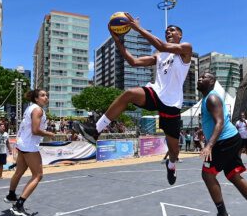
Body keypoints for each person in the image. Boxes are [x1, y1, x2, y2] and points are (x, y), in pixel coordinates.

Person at [75, 14, 192, 186]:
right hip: (155, 93)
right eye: (166, 30)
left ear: (180, 35)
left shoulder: (185, 49)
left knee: (174, 150)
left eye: (172, 30)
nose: (168, 32)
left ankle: (171, 164)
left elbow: (162, 45)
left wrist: (138, 29)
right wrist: (118, 41)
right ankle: (95, 130)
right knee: (129, 93)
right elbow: (134, 61)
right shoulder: (160, 56)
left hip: (172, 104)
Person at [196, 72, 247, 216]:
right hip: (229, 139)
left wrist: (209, 145)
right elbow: (215, 121)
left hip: (225, 141)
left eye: (204, 77)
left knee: (207, 174)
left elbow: (220, 122)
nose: (199, 78)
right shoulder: (206, 98)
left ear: (212, 82)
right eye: (199, 76)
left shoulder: (212, 98)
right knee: (233, 175)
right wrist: (205, 131)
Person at [6, 89, 57, 216]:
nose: (46, 97)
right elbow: (35, 130)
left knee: (19, 171)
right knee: (38, 175)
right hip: (29, 145)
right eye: (43, 95)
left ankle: (11, 195)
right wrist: (49, 134)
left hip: (22, 143)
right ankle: (18, 205)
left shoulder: (31, 108)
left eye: (47, 95)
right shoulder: (38, 110)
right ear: (36, 98)